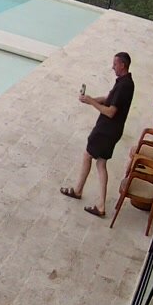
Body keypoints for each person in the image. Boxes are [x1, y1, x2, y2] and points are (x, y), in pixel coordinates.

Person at [61, 51, 135, 217]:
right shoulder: (125, 82)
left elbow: (110, 111)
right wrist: (91, 99)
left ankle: (79, 191)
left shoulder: (124, 86)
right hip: (112, 130)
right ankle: (98, 203)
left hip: (106, 130)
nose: (112, 67)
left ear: (122, 65)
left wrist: (91, 102)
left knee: (88, 156)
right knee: (101, 163)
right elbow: (109, 98)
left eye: (115, 64)